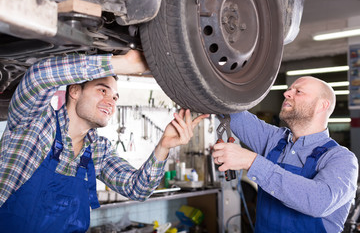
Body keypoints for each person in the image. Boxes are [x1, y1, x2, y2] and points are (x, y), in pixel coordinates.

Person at [0, 50, 209, 232]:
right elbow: (39, 76)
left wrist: (164, 146)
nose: (111, 101)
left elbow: (138, 189)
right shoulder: (34, 122)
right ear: (74, 90)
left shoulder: (98, 150)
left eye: (115, 97)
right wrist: (123, 63)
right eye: (102, 90)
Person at [212, 76, 359, 233]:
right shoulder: (274, 140)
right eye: (289, 89)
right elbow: (231, 111)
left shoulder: (340, 159)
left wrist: (252, 162)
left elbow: (319, 201)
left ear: (322, 105)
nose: (287, 93)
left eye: (298, 91)